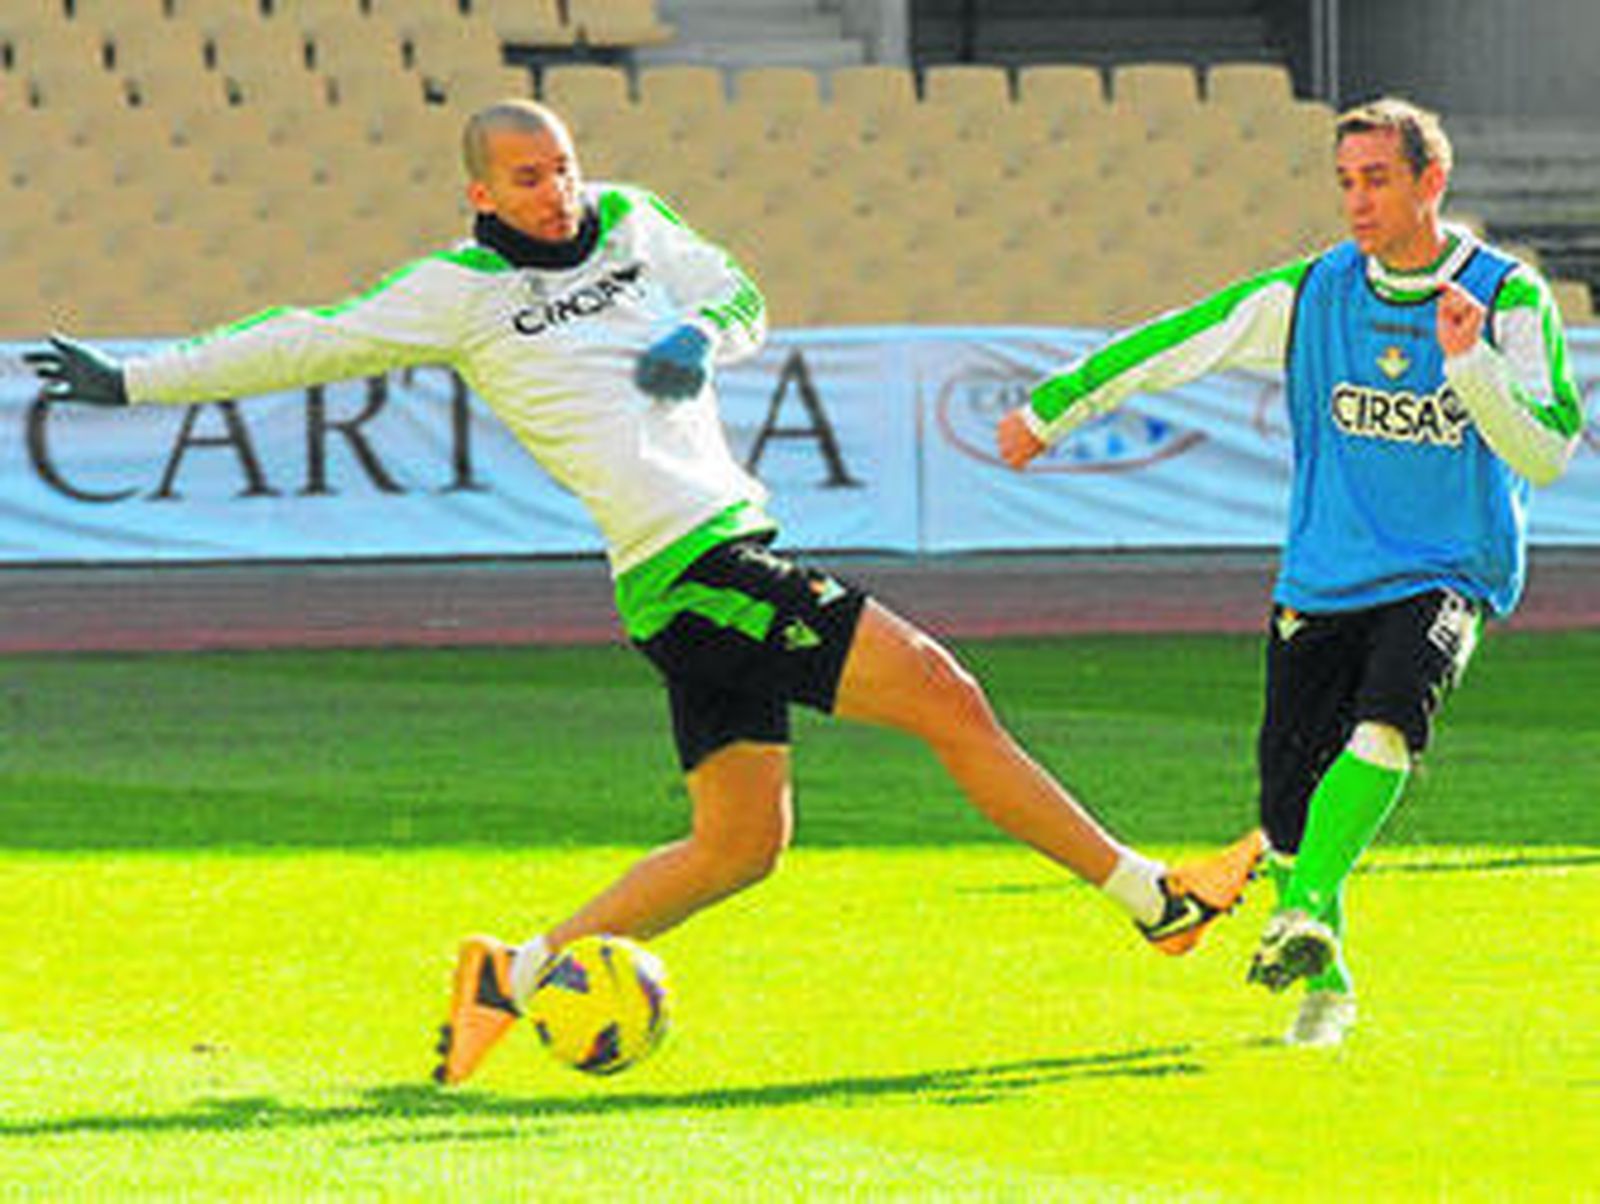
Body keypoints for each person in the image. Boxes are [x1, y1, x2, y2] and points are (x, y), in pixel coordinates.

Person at [28, 99, 1263, 1085]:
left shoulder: (629, 219)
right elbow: (301, 337)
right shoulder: (454, 293)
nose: (553, 189)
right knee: (947, 692)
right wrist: (135, 383)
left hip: (690, 572)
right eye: (524, 177)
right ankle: (1151, 900)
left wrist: (704, 339)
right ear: (479, 192)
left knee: (741, 846)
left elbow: (734, 290)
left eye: (559, 165)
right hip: (695, 565)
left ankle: (513, 975)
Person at [998, 96, 1586, 1047]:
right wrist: (1055, 408)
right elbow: (1179, 340)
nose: (1356, 201)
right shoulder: (1313, 293)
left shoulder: (1506, 298)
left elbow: (1548, 452)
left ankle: (1302, 904)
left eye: (1378, 179)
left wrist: (1468, 362)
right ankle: (1328, 979)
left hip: (1447, 570)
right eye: (1346, 181)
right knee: (1288, 801)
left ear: (1431, 182)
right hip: (1323, 576)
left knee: (1392, 717)